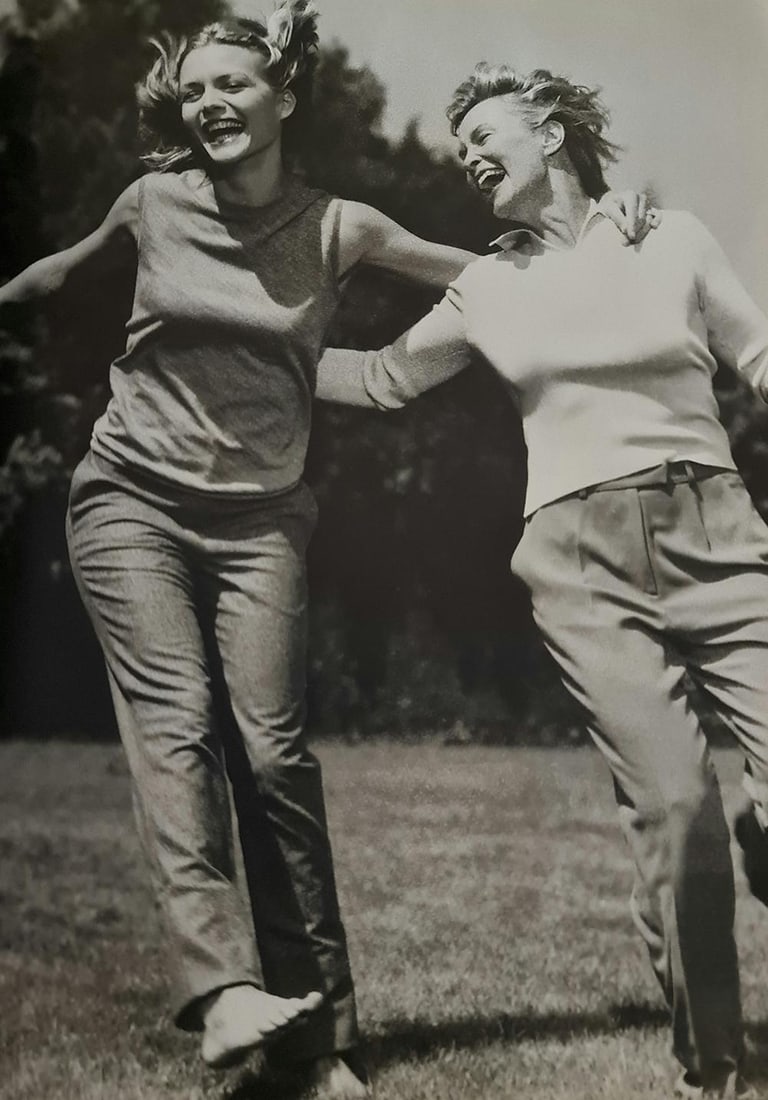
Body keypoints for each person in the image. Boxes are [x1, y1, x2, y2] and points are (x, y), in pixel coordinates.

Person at [0, 4, 652, 1093]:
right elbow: (58, 273)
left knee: (274, 756)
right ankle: (223, 992)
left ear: (284, 98)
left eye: (232, 84)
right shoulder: (154, 202)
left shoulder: (342, 227)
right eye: (194, 91)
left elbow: (489, 273)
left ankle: (317, 1044)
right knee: (178, 722)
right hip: (130, 501)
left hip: (261, 518)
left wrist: (605, 236)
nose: (209, 103)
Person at [316, 62, 768, 1100]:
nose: (468, 156)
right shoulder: (486, 287)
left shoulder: (671, 236)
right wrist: (256, 351)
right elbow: (382, 377)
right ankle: (715, 1070)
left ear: (553, 133)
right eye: (460, 146)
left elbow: (758, 353)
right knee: (676, 809)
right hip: (580, 562)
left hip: (718, 529)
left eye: (485, 134)